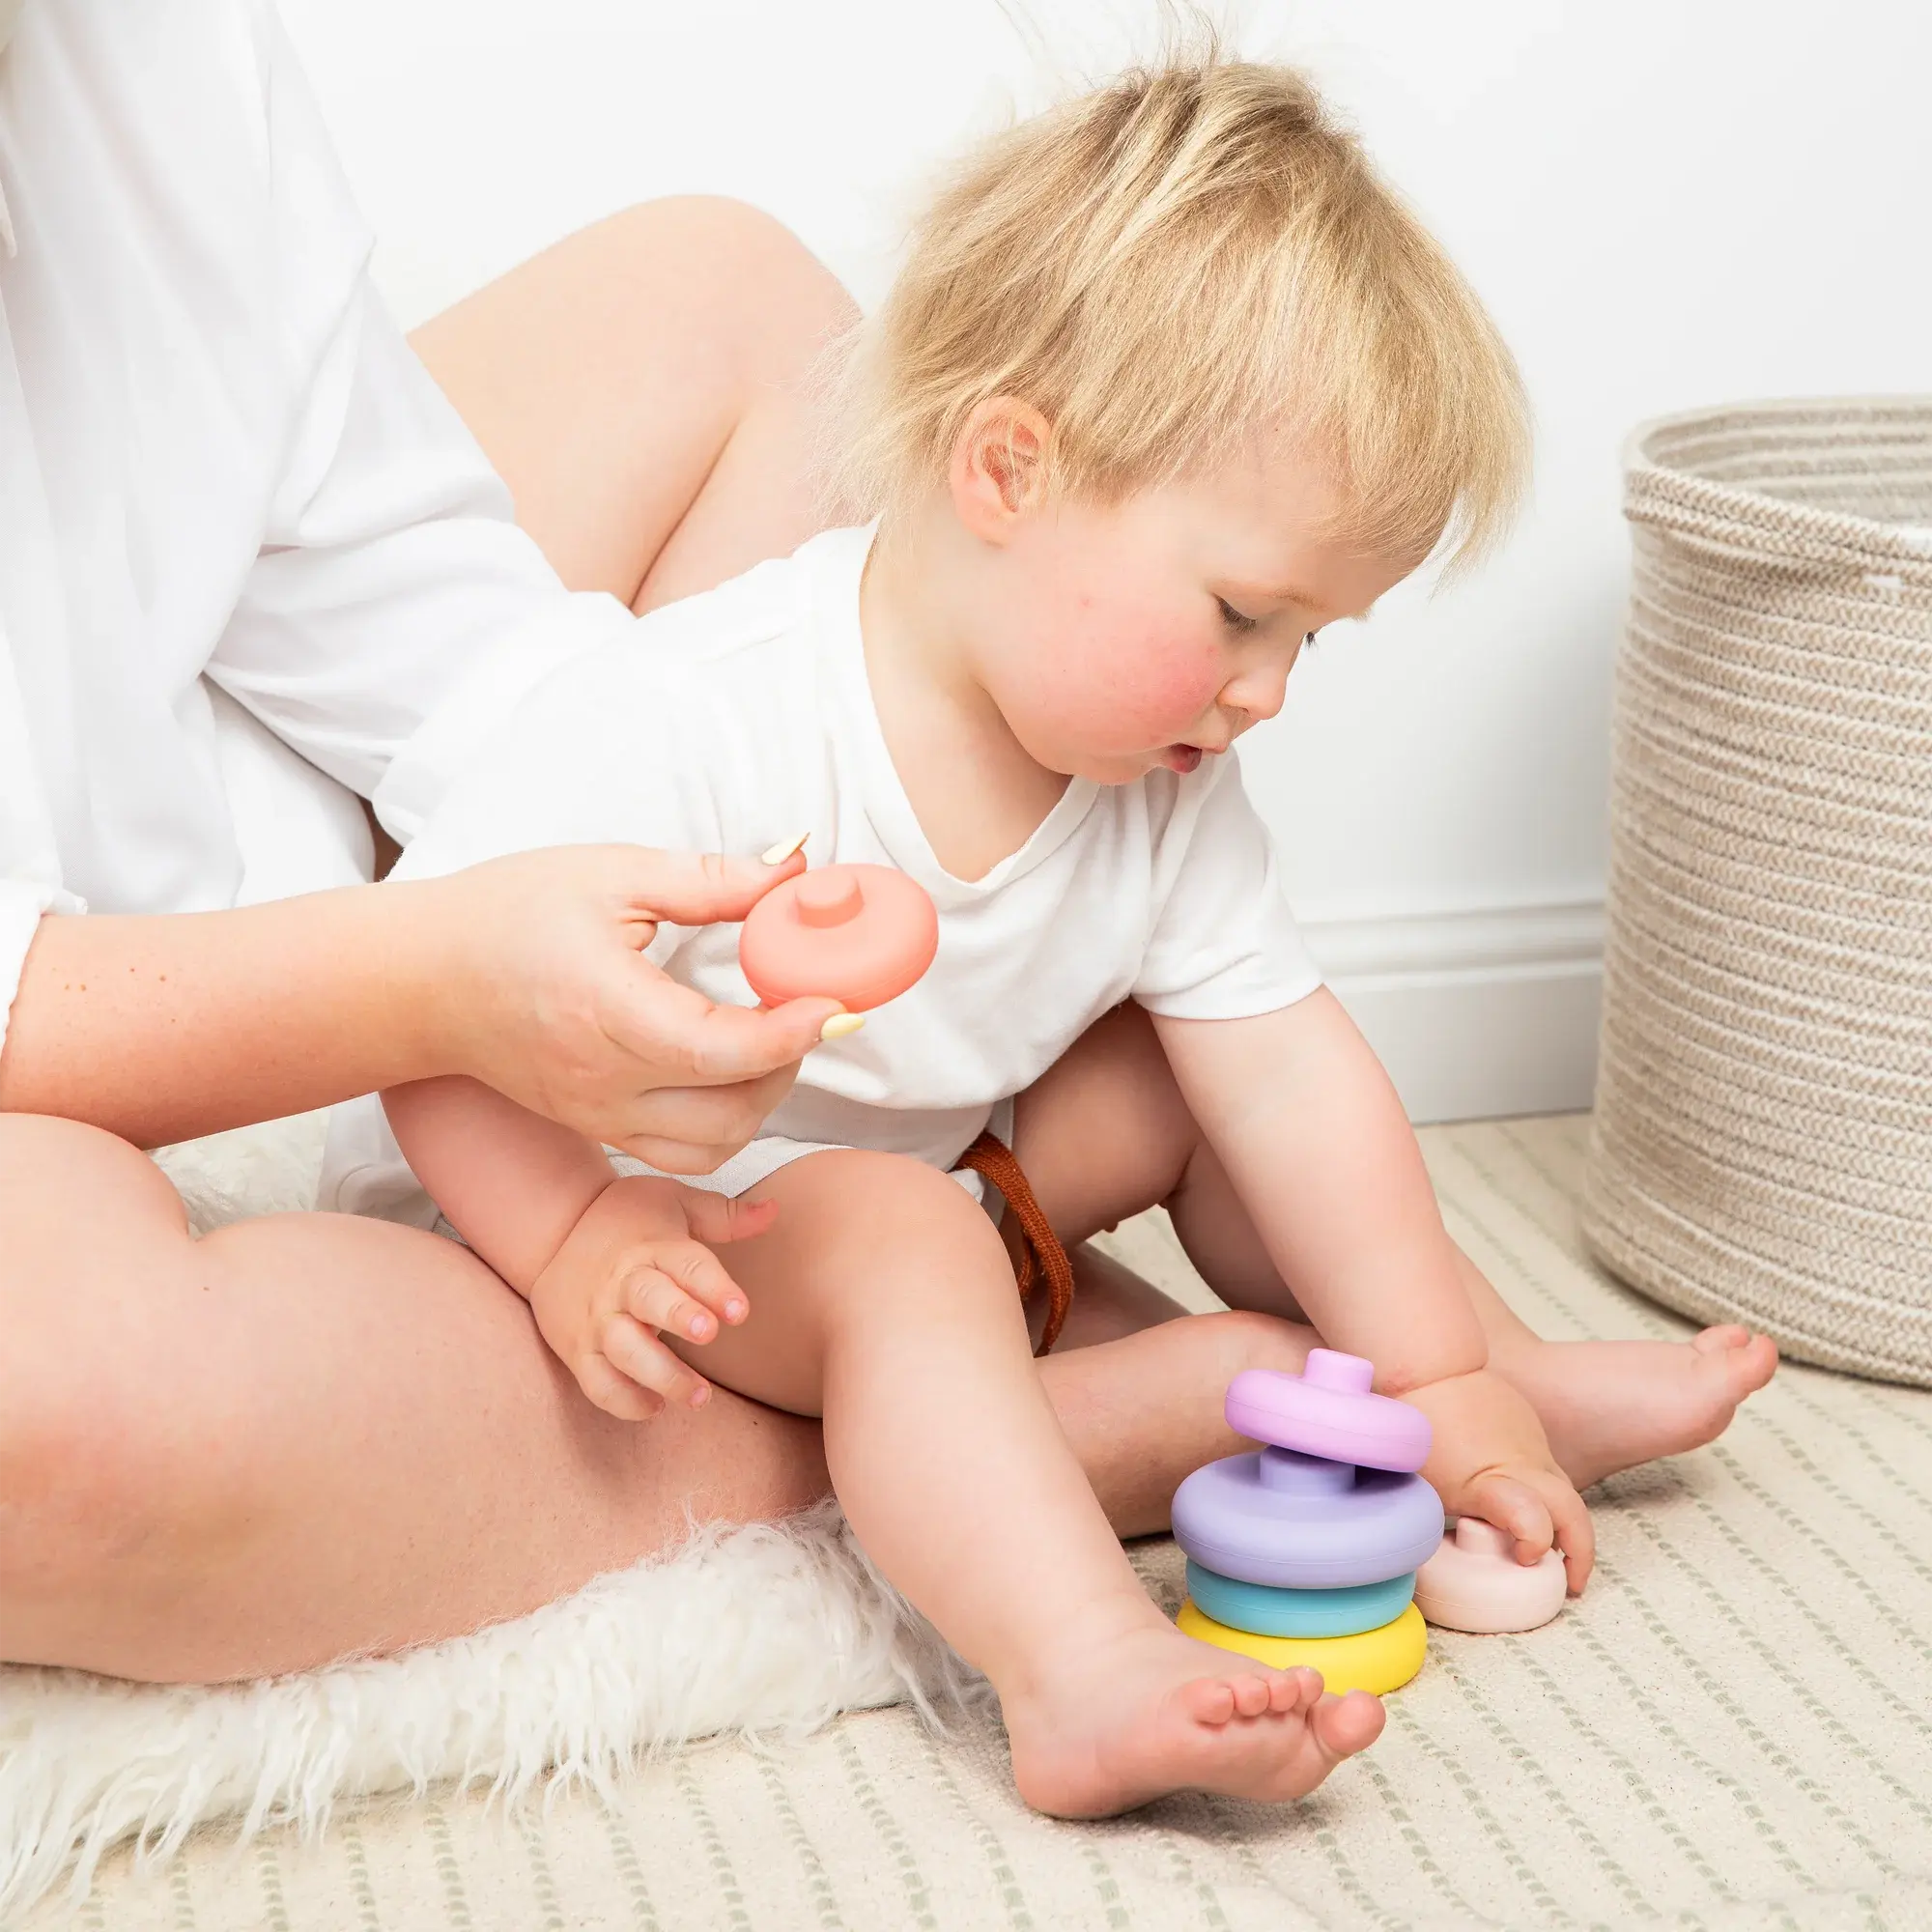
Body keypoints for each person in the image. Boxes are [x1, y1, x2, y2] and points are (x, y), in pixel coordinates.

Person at [335, 57, 1779, 1817]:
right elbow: (420, 998)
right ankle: (1075, 1662)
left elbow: (1297, 1086)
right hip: (613, 1214)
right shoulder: (698, 712)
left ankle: (1486, 1378)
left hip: (922, 1171)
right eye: (1244, 612)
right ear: (1009, 467)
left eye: (1311, 641)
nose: (1264, 692)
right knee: (895, 1241)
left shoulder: (1157, 786)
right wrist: (570, 1233)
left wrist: (1445, 1371)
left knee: (1211, 1075)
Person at [0, 0, 1305, 1684]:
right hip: (61, 1078)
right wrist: (434, 985)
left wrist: (667, 798)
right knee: (50, 1397)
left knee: (737, 306)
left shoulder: (140, 46)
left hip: (187, 798)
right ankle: (913, 1443)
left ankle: (905, 1302)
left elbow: (369, 572)